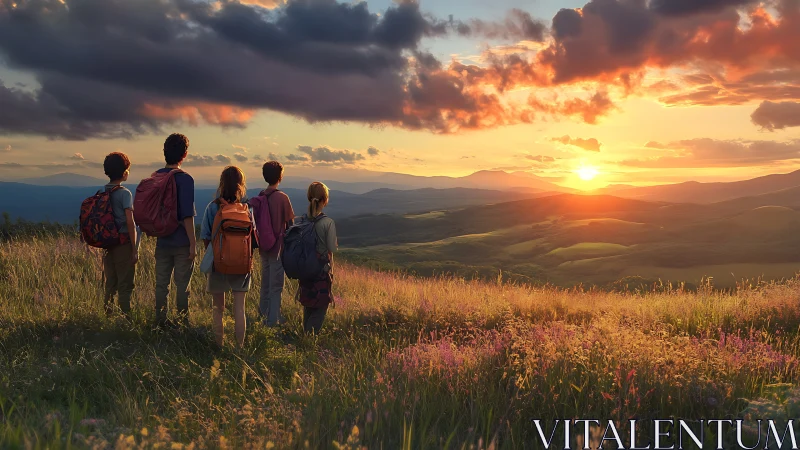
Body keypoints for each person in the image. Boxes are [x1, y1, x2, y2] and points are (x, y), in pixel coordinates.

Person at [200, 166, 253, 347]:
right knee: (239, 308)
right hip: (242, 264)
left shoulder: (213, 207)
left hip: (218, 263)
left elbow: (206, 237)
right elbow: (252, 239)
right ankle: (239, 348)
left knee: (218, 308)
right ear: (241, 185)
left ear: (221, 183)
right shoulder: (247, 209)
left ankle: (219, 346)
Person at [154, 133, 197, 329]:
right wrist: (193, 244)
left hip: (162, 240)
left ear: (164, 152)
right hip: (181, 241)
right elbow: (187, 215)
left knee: (162, 285)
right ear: (185, 154)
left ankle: (160, 322)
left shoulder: (156, 177)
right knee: (182, 286)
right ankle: (182, 323)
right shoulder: (186, 179)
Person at [249, 161, 294, 327]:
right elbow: (291, 225)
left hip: (263, 247)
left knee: (265, 283)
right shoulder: (283, 198)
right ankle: (273, 320)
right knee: (276, 286)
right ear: (280, 176)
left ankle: (263, 314)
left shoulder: (260, 196)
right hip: (277, 248)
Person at [297, 182, 338, 334]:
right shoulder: (327, 222)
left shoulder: (302, 221)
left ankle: (305, 337)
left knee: (308, 304)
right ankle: (308, 339)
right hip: (321, 271)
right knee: (321, 306)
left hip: (305, 270)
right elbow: (332, 249)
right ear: (325, 200)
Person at [101, 152, 138, 317]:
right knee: (125, 283)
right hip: (123, 243)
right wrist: (134, 247)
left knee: (111, 282)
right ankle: (126, 317)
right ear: (124, 172)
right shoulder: (125, 193)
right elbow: (130, 222)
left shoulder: (103, 192)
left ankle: (108, 315)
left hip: (108, 244)